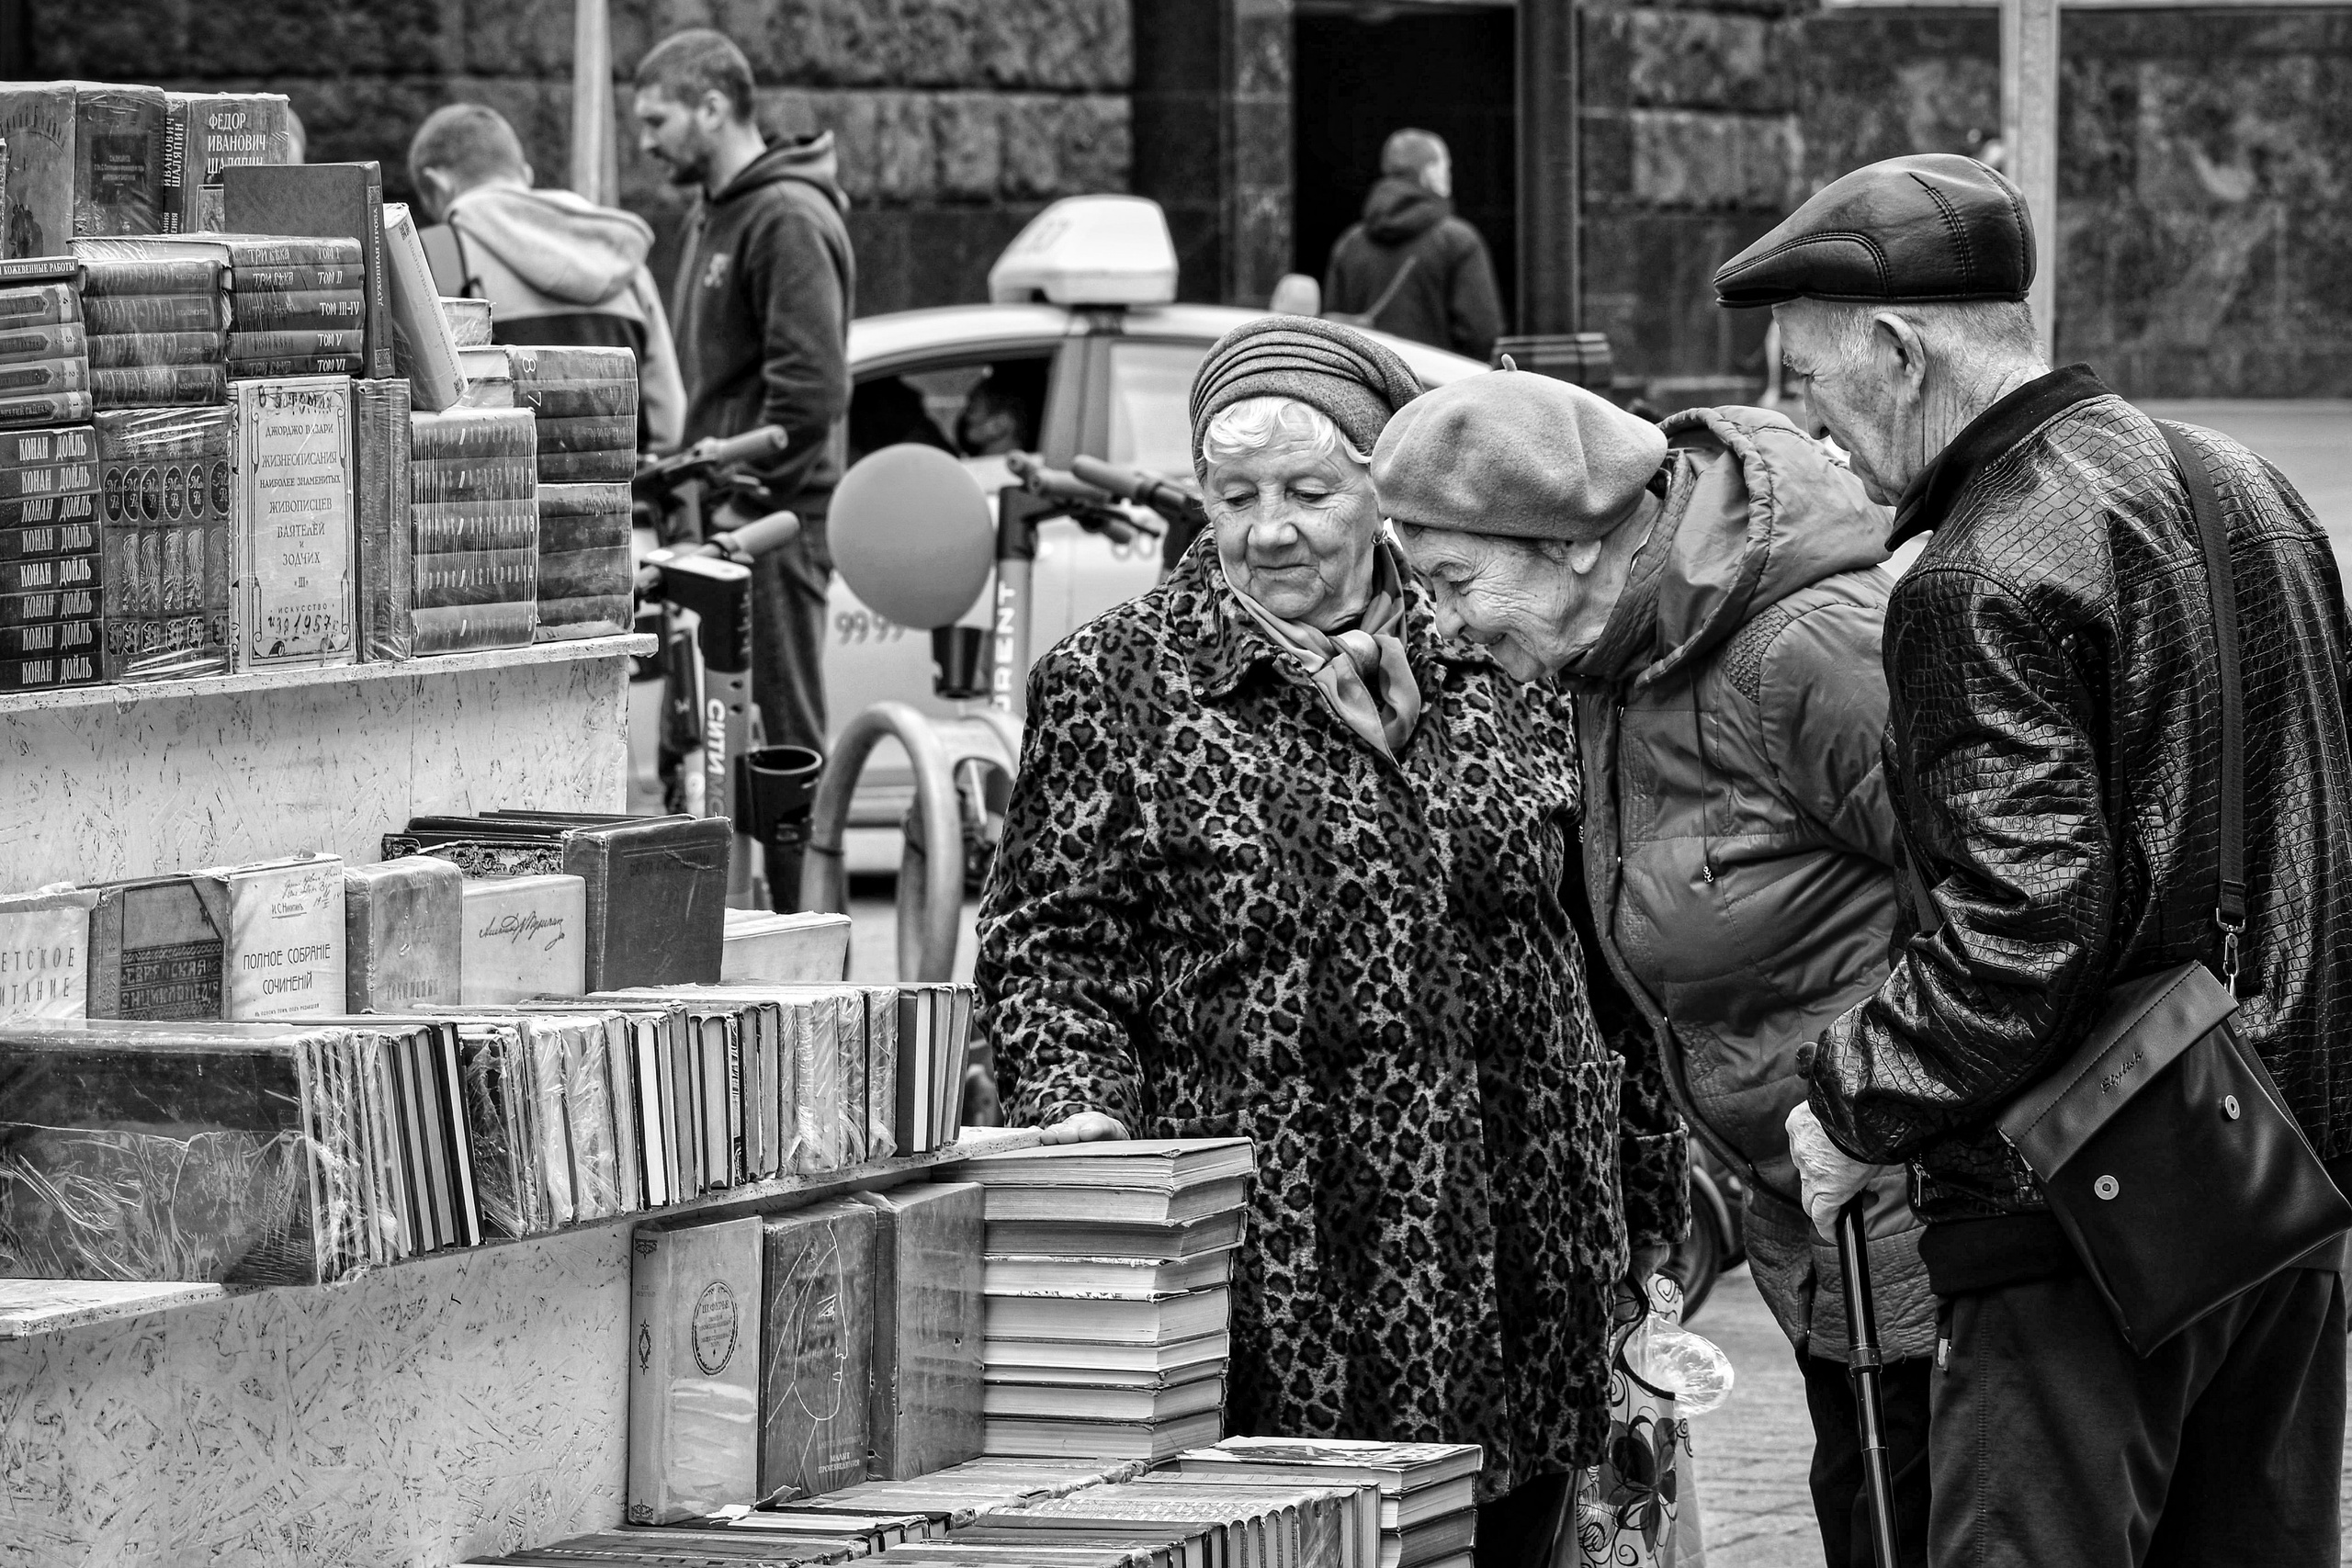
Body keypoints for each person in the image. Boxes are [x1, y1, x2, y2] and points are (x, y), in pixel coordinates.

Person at [1713, 153, 2352, 1566]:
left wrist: (1851, 1100)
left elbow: (2020, 928)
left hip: (2080, 1205)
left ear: (1896, 349)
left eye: (1813, 385)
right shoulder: (2239, 478)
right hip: (2277, 1172)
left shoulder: (1977, 567)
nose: (1810, 427)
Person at [976, 317, 1690, 1568]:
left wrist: (1650, 1199)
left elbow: (1605, 944)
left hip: (1521, 1225)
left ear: (1382, 491)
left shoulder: (1503, 639)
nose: (1269, 528)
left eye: (1309, 490)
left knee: (1520, 1528)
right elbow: (1049, 948)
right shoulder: (1118, 679)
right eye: (1233, 494)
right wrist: (1078, 1114)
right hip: (1279, 1252)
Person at [1379, 367, 1938, 1568]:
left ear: (1574, 544)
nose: (1442, 620)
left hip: (1926, 1212)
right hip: (1815, 1214)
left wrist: (1875, 1101)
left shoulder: (1805, 647)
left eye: (1455, 580)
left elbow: (2001, 895)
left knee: (1915, 1512)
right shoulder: (1614, 656)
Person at [634, 28, 855, 908]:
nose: (646, 140)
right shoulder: (715, 211)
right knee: (709, 744)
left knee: (785, 739)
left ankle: (819, 948)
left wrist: (736, 499)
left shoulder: (788, 217)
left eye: (658, 119)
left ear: (713, 107)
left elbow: (810, 393)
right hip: (718, 519)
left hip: (773, 525)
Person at [407, 102, 685, 454]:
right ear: (524, 173)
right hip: (621, 500)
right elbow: (669, 425)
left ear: (436, 184)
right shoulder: (622, 257)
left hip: (505, 503)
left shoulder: (434, 257)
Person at [1322, 130, 1504, 362]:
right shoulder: (1458, 239)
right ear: (1429, 172)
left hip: (1366, 388)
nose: (1449, 175)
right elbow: (1481, 333)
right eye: (1446, 167)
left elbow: (1332, 331)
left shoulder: (1350, 243)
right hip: (1435, 389)